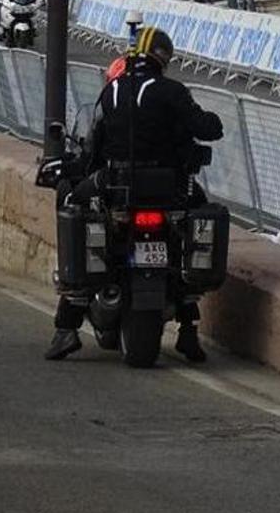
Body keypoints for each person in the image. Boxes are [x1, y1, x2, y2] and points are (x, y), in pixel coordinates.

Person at [45, 27, 224, 363]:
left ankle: (65, 328)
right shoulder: (172, 91)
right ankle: (188, 328)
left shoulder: (112, 91)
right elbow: (208, 129)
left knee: (73, 204)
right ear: (163, 57)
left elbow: (95, 144)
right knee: (193, 227)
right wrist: (209, 120)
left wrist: (75, 170)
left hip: (115, 183)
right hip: (169, 188)